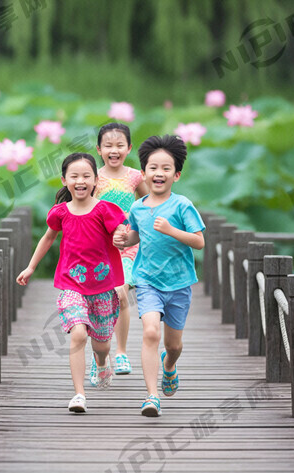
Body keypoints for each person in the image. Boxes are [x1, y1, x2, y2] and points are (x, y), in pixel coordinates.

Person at [17, 153, 126, 413]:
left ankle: (101, 361)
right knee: (78, 334)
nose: (80, 181)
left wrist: (123, 235)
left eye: (86, 176)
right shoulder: (60, 213)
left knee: (102, 343)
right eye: (74, 176)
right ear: (64, 180)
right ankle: (79, 394)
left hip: (101, 285)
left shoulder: (105, 210)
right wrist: (31, 267)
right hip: (71, 283)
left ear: (96, 180)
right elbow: (47, 238)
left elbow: (122, 231)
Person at [114, 135, 205, 418]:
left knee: (173, 345)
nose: (159, 173)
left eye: (166, 168)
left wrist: (171, 230)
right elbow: (134, 236)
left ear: (176, 175)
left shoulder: (182, 205)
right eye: (153, 168)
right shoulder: (138, 207)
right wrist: (122, 239)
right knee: (150, 332)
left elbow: (199, 241)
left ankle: (169, 365)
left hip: (178, 283)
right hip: (148, 280)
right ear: (143, 173)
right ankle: (152, 396)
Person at [92, 122, 146, 382]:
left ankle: (122, 352)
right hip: (98, 247)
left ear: (129, 148)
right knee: (98, 302)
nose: (114, 150)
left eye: (119, 145)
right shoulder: (93, 177)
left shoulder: (136, 177)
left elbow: (150, 204)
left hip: (127, 246)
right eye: (108, 146)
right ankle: (99, 358)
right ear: (99, 149)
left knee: (121, 291)